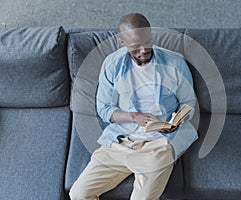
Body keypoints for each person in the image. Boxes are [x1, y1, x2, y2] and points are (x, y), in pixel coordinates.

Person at [69, 13, 198, 200]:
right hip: (121, 141)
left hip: (159, 143)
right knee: (78, 193)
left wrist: (178, 119)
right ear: (123, 43)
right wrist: (132, 117)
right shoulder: (112, 65)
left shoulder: (175, 63)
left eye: (147, 41)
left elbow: (188, 102)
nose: (144, 50)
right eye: (136, 46)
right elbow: (104, 109)